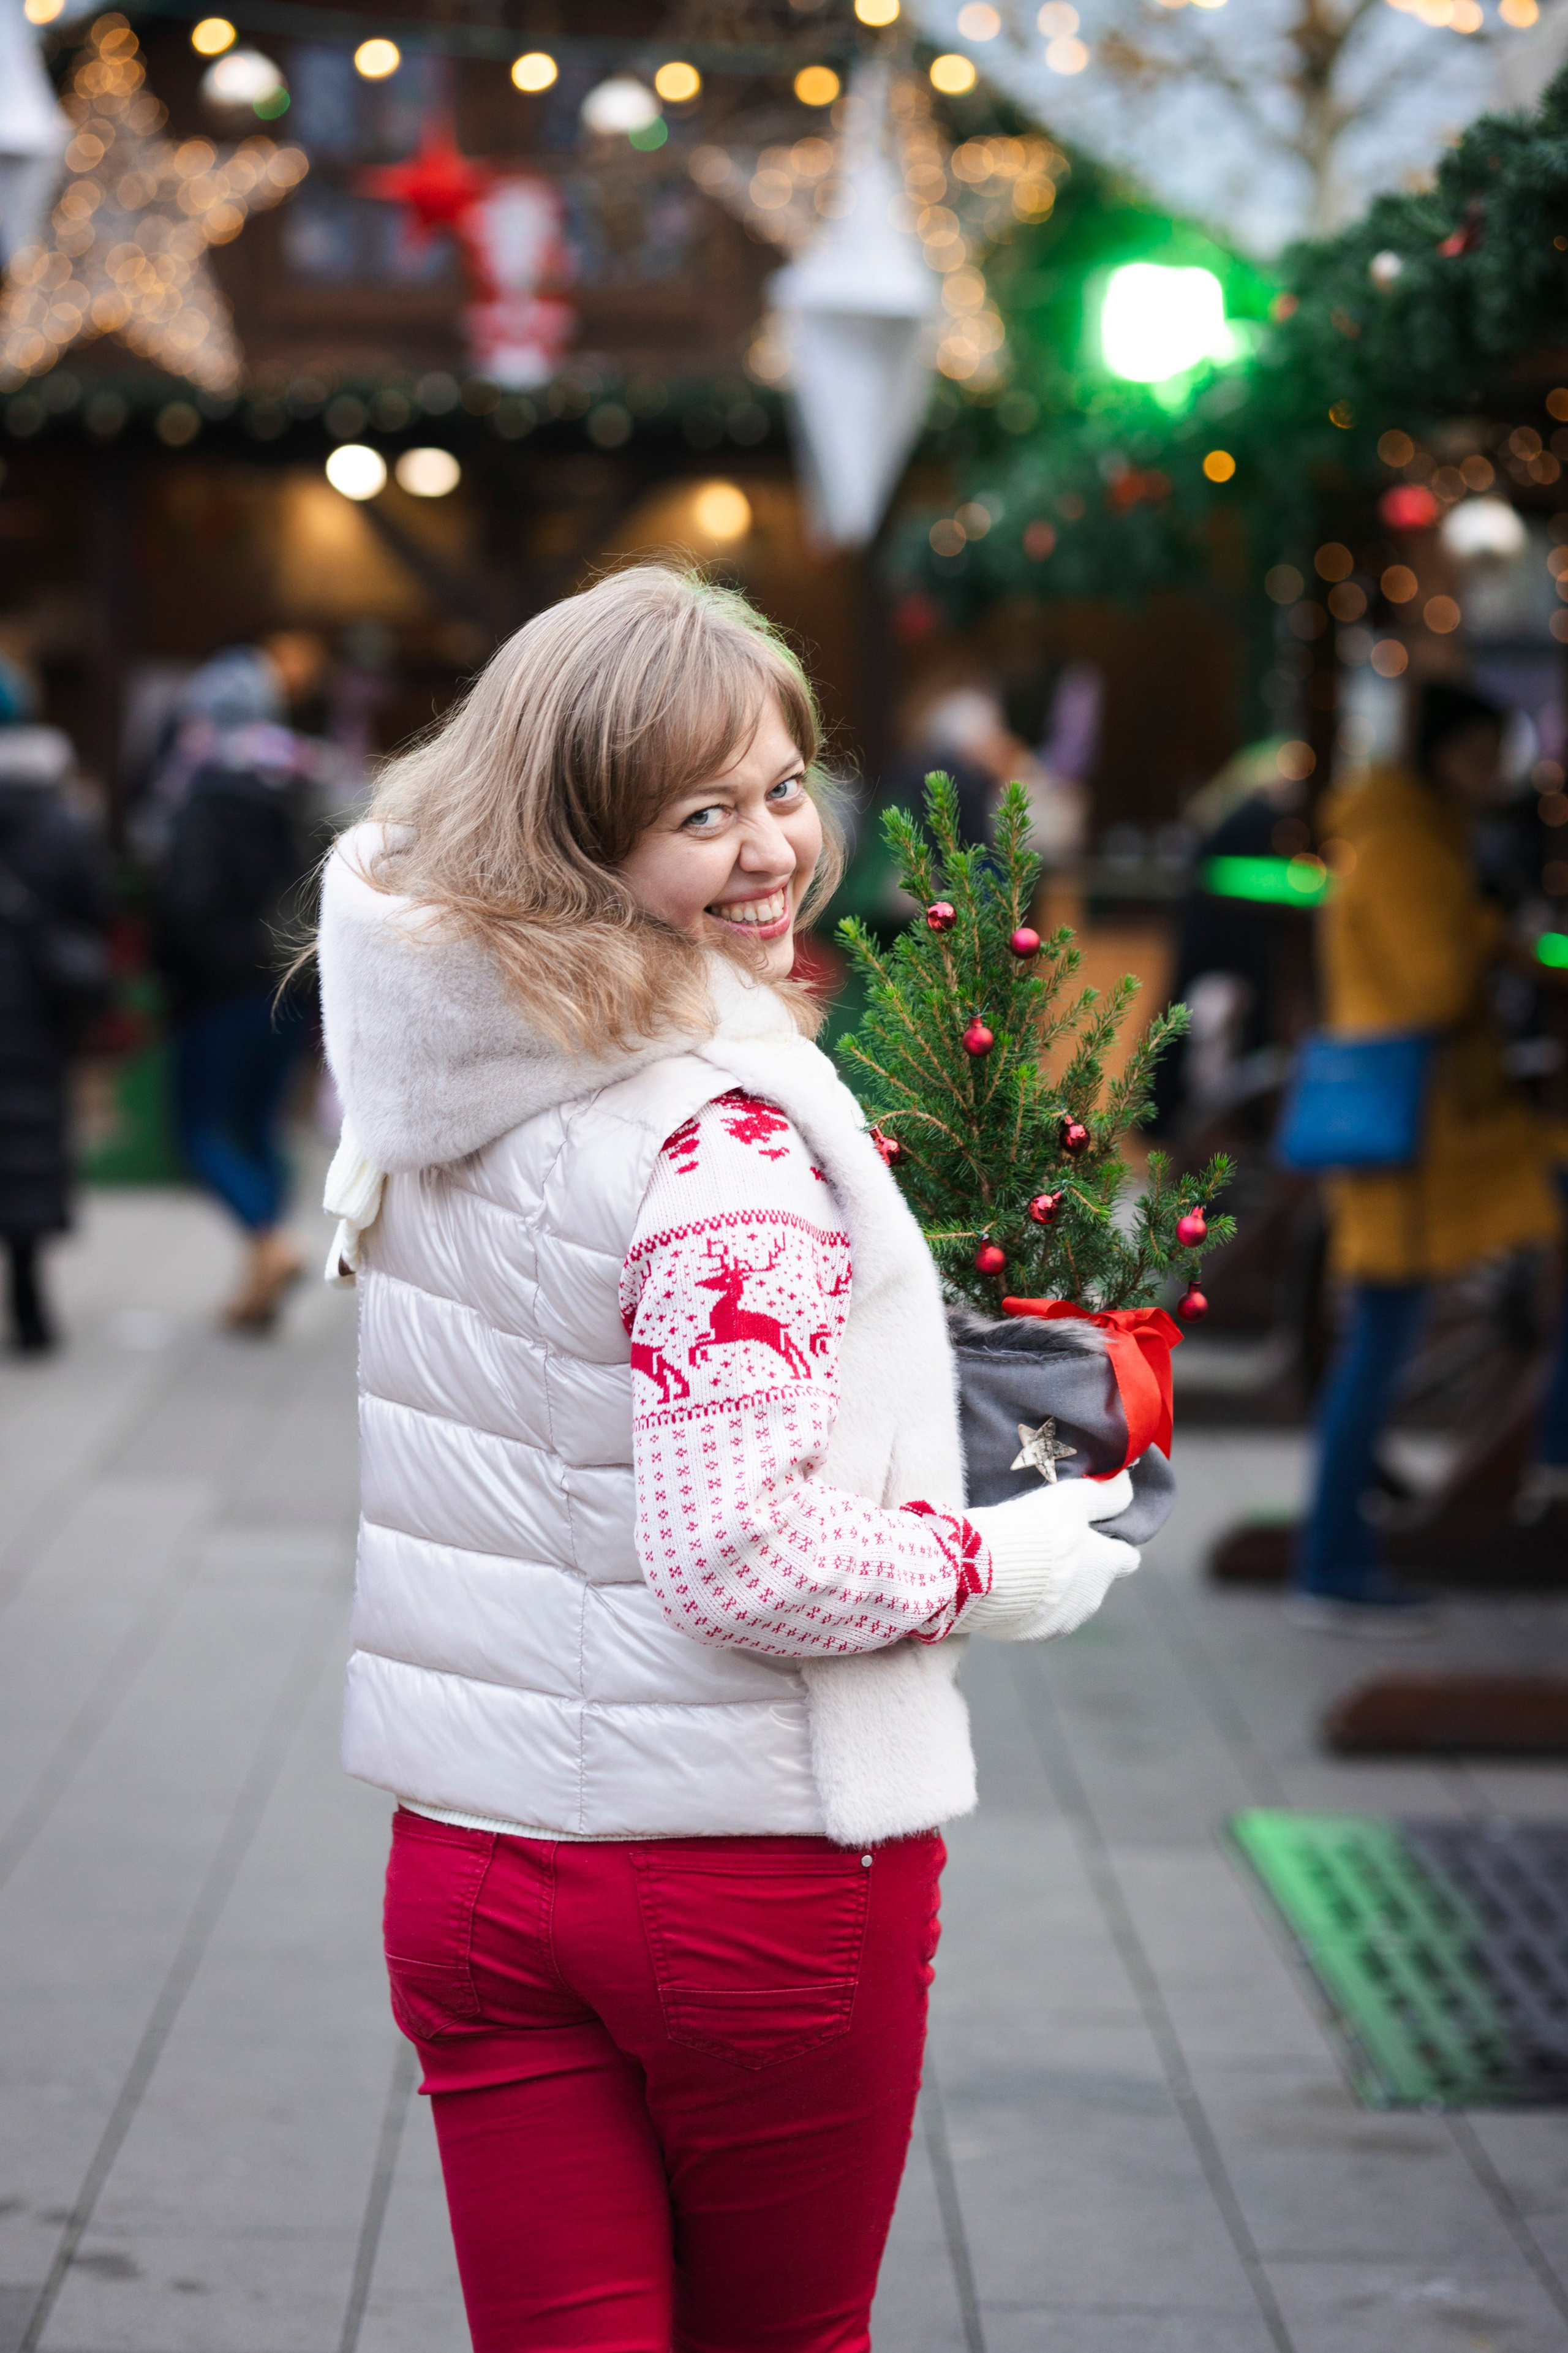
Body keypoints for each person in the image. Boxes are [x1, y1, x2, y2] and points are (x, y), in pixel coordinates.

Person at [315, 566, 1142, 2353]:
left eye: (782, 786)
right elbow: (742, 1553)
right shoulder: (721, 1144)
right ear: (580, 844)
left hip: (470, 1854)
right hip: (743, 1870)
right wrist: (1009, 1559)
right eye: (701, 815)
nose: (771, 848)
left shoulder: (431, 1064)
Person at [1292, 681, 1561, 1629]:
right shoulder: (1407, 841)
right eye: (1483, 753)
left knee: (1381, 1339)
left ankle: (1337, 1557)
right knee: (1380, 1342)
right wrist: (1498, 937)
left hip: (1432, 1130)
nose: (1498, 774)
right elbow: (1436, 983)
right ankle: (1333, 1564)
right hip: (1418, 1131)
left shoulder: (1411, 829)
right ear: (1444, 754)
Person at [151, 646, 320, 1331]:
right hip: (286, 988)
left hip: (219, 995)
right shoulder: (298, 785)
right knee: (257, 1128)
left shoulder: (199, 794)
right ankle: (261, 1270)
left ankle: (268, 1241)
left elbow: (186, 906)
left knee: (200, 1133)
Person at [0, 666, 111, 1355]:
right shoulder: (63, 814)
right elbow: (95, 915)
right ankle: (30, 1304)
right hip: (37, 1014)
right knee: (29, 1144)